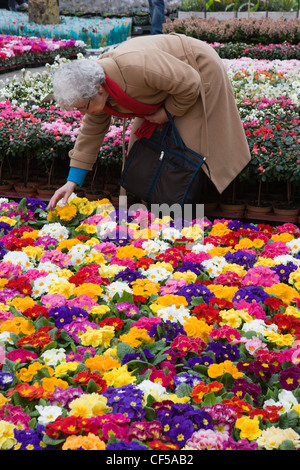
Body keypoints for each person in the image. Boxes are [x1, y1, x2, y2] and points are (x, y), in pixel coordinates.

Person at [47, 33, 251, 211]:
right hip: (167, 82)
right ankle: (150, 206)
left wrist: (168, 111)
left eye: (84, 107)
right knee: (142, 145)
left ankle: (180, 212)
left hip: (196, 70)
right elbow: (91, 131)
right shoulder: (97, 88)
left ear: (99, 90)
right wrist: (71, 182)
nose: (83, 113)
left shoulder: (134, 67)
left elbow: (190, 83)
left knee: (186, 146)